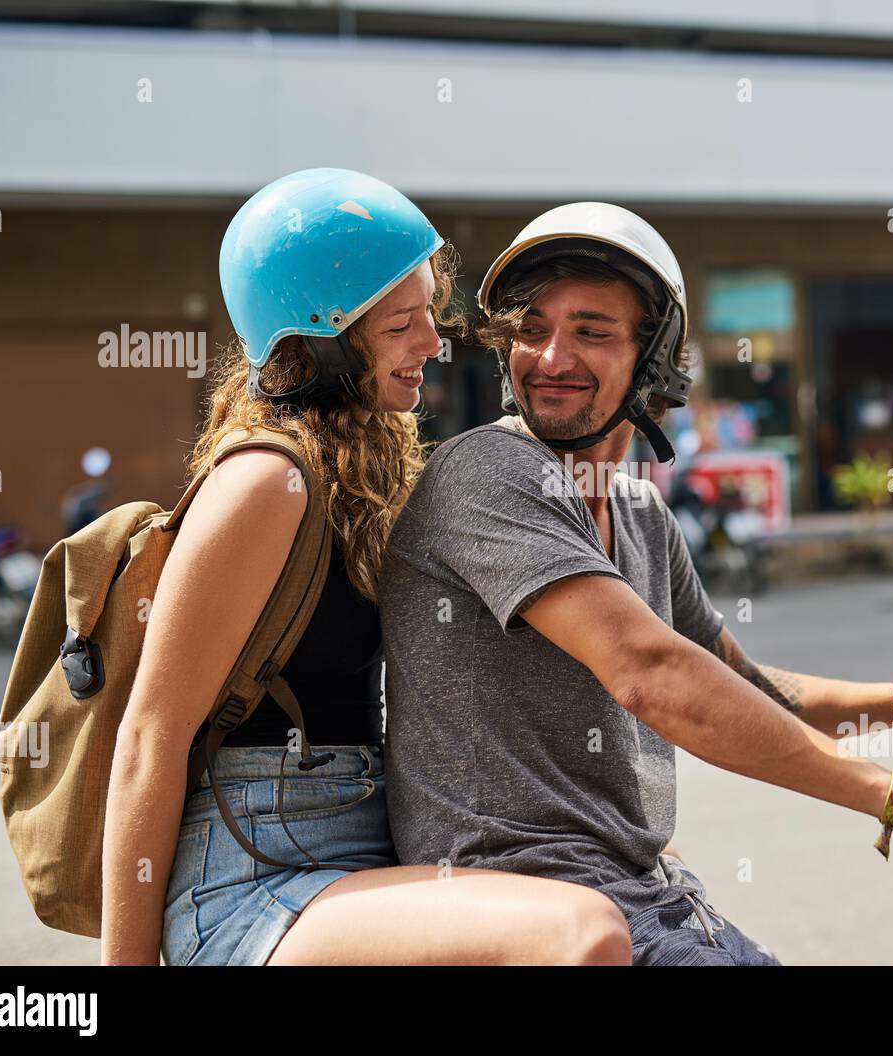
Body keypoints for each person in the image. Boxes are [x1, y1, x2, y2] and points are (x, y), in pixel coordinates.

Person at [377, 202, 893, 965]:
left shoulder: (640, 513)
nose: (551, 357)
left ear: (652, 357)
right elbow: (650, 672)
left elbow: (739, 685)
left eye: (591, 331)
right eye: (531, 329)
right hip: (530, 906)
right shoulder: (487, 473)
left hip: (642, 894)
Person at [100, 170, 632, 966]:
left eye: (430, 317)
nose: (432, 344)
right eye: (400, 326)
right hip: (253, 877)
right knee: (580, 935)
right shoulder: (266, 481)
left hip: (368, 851)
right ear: (322, 339)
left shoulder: (372, 463)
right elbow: (150, 735)